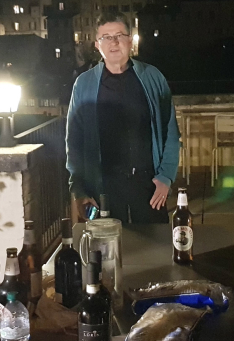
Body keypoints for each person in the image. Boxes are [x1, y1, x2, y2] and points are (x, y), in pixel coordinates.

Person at [66, 12, 180, 224]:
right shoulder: (84, 84)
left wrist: (166, 177)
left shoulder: (153, 77)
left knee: (154, 243)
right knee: (107, 244)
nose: (114, 42)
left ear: (130, 40)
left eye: (119, 35)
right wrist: (79, 190)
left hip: (148, 184)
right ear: (97, 45)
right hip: (102, 188)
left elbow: (171, 133)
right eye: (106, 37)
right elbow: (74, 141)